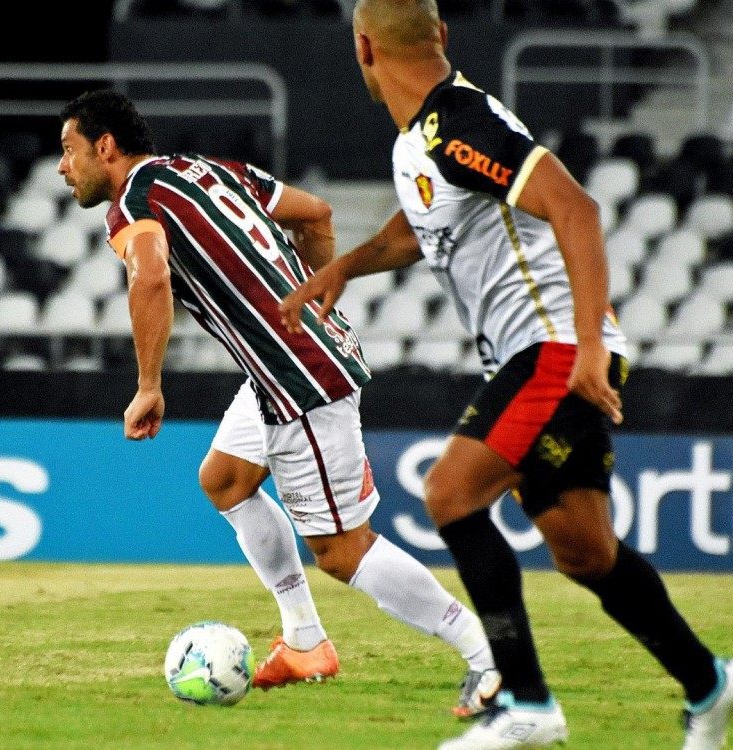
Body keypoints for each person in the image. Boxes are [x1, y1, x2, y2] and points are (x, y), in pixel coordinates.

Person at [280, 2, 733, 748]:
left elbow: (576, 207)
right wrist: (347, 265)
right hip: (544, 349)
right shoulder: (423, 145)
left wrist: (591, 347)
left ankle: (527, 704)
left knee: (450, 491)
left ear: (364, 48)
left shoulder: (456, 123)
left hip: (557, 347)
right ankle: (709, 683)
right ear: (441, 35)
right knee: (584, 550)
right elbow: (417, 225)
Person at [58, 88, 501, 716]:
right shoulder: (207, 171)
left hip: (298, 380)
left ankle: (486, 657)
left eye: (68, 150)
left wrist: (150, 384)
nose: (61, 166)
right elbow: (316, 214)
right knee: (225, 480)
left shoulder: (133, 205)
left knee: (343, 551)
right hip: (288, 364)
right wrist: (315, 312)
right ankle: (304, 642)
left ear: (105, 147)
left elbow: (151, 274)